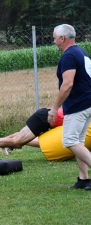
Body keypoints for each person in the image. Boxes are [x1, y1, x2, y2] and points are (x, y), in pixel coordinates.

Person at [47, 24, 91, 190]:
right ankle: (84, 179)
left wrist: (54, 109)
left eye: (54, 38)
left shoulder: (69, 56)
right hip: (88, 103)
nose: (54, 41)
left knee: (70, 140)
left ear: (62, 38)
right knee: (78, 141)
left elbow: (67, 84)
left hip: (78, 105)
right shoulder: (81, 52)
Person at [0, 108, 64, 161]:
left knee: (20, 139)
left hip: (46, 118)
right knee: (17, 142)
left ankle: (2, 144)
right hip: (44, 118)